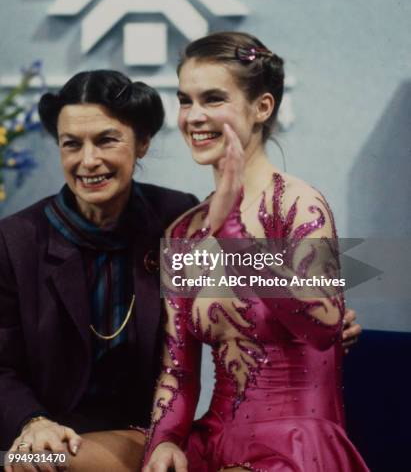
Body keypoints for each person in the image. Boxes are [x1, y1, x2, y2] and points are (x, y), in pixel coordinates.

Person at [143, 32, 369, 471]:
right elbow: (179, 371)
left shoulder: (299, 205)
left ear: (262, 107)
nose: (194, 116)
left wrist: (232, 233)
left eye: (212, 99)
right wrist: (165, 442)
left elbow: (322, 327)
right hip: (215, 445)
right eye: (185, 100)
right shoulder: (183, 233)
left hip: (298, 447)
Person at [0, 70, 198, 471]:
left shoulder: (175, 217)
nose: (88, 161)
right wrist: (32, 421)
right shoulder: (16, 240)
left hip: (144, 436)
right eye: (72, 145)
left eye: (106, 140)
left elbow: (259, 279)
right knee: (31, 463)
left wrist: (321, 305)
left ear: (141, 143)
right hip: (48, 438)